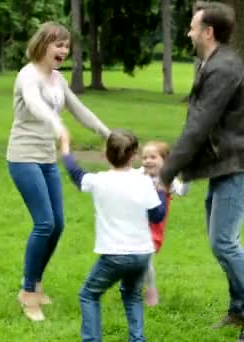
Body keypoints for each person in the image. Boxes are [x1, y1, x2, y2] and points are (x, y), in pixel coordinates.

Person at [158, 2, 244, 341]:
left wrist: (167, 173)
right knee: (219, 241)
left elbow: (198, 126)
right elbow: (201, 125)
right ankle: (240, 308)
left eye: (193, 26)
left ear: (208, 32)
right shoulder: (212, 62)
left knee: (224, 242)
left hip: (240, 164)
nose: (189, 31)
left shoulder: (223, 68)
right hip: (227, 163)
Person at [6, 21, 111, 321]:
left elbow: (80, 110)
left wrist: (108, 134)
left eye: (67, 46)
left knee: (59, 224)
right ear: (43, 44)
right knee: (44, 223)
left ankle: (36, 283)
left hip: (46, 159)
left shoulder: (58, 80)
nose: (64, 50)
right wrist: (57, 126)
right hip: (23, 156)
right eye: (58, 44)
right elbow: (35, 104)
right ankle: (27, 293)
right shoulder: (28, 75)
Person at [60, 129, 166, 342]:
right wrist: (162, 189)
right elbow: (157, 216)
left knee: (89, 295)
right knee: (132, 295)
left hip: (114, 255)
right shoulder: (143, 181)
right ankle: (138, 339)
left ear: (105, 154)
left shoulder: (98, 180)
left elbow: (75, 174)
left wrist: (65, 150)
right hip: (142, 254)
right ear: (134, 155)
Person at [138, 140, 189, 306]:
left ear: (165, 161)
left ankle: (151, 290)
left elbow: (182, 192)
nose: (147, 161)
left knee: (145, 260)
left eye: (153, 157)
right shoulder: (138, 175)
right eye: (144, 157)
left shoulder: (168, 180)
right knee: (134, 259)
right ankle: (134, 287)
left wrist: (188, 177)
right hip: (135, 226)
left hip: (154, 228)